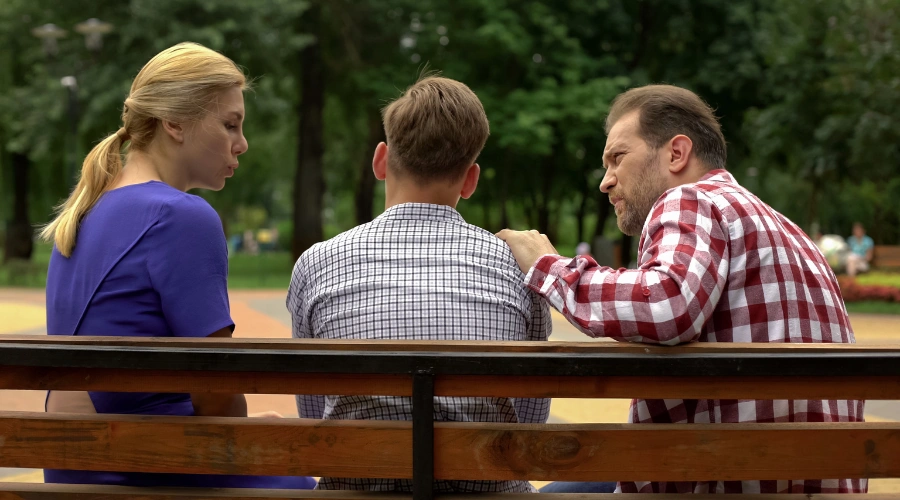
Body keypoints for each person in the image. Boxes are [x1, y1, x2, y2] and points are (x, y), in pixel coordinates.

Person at [497, 84, 864, 494]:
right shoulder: (789, 230)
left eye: (617, 157)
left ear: (676, 153)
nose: (605, 181)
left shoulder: (691, 199)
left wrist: (551, 268)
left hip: (725, 479)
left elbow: (666, 303)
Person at [40, 42, 314, 490]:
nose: (242, 144)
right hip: (150, 468)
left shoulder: (84, 213)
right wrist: (250, 432)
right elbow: (218, 395)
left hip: (81, 466)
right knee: (300, 480)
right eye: (230, 124)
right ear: (174, 122)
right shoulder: (180, 216)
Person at [287, 76, 567, 493]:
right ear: (470, 180)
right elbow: (528, 417)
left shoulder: (316, 263)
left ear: (381, 160)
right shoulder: (517, 267)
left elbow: (313, 410)